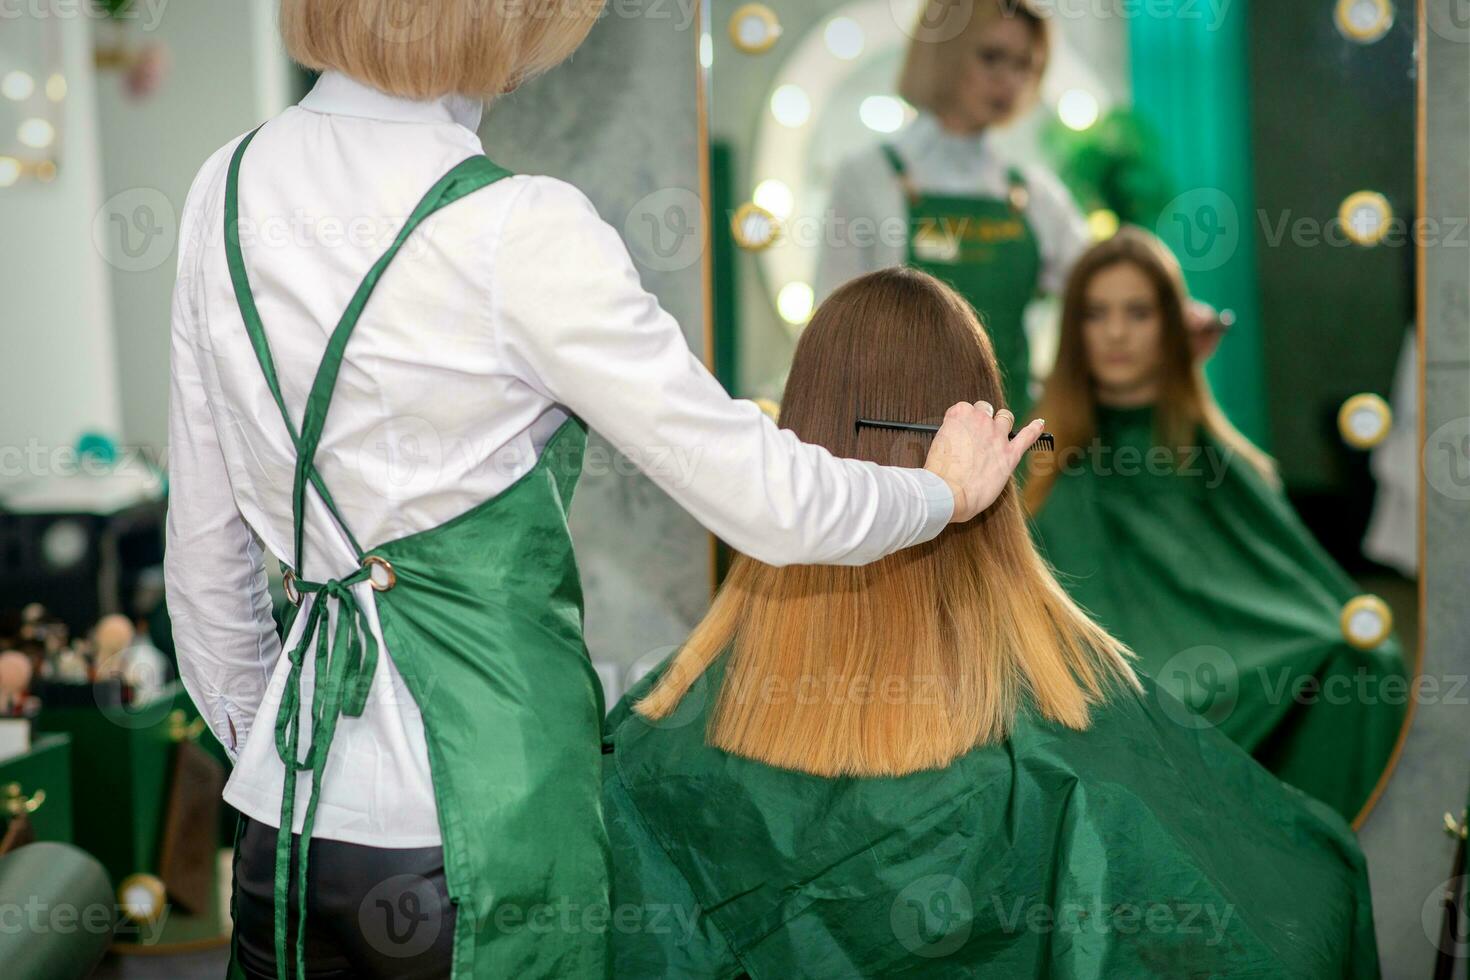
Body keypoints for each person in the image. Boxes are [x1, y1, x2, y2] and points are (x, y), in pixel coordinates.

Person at [162, 2, 1044, 978]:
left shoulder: (224, 184)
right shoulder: (518, 226)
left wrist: (276, 749)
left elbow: (205, 552)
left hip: (281, 827)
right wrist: (939, 494)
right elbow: (768, 499)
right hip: (481, 826)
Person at [601, 266, 1380, 978]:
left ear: (799, 437)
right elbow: (1284, 912)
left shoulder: (652, 739)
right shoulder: (1066, 738)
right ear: (985, 440)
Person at [1025, 227, 1408, 820]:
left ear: (1171, 325)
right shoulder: (1048, 453)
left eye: (1140, 313)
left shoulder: (1220, 459)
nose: (1117, 333)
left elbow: (1299, 587)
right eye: (1097, 314)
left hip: (1235, 661)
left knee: (1364, 662)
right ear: (1074, 330)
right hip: (1116, 677)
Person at [815, 0, 1089, 418]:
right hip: (897, 453)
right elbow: (831, 336)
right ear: (943, 50)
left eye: (1023, 65)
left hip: (1008, 442)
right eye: (991, 57)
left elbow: (1100, 283)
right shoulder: (867, 178)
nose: (1008, 80)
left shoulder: (1035, 194)